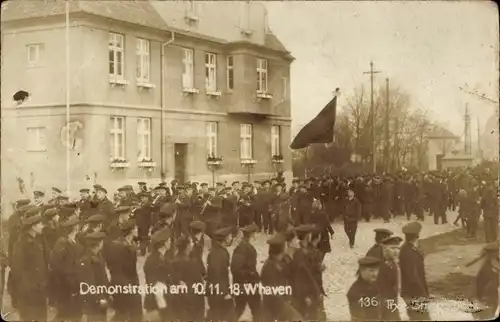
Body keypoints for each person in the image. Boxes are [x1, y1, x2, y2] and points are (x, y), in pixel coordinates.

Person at [11, 213, 49, 321]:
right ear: (33, 226)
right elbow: (17, 270)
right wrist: (28, 286)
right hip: (29, 290)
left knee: (41, 317)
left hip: (40, 287)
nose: (42, 226)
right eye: (40, 224)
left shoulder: (39, 240)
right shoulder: (20, 244)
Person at [261, 233, 303, 321]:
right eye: (285, 246)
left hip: (282, 304)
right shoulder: (269, 267)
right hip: (275, 307)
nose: (287, 247)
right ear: (281, 249)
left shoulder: (279, 262)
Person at [49, 215, 84, 321]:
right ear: (75, 228)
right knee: (65, 312)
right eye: (78, 226)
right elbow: (56, 264)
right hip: (66, 284)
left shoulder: (74, 241)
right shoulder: (62, 243)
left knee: (75, 313)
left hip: (75, 282)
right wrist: (67, 277)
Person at [399, 221, 431, 320]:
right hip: (414, 292)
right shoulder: (408, 252)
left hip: (412, 292)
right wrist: (423, 294)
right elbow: (413, 277)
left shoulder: (408, 249)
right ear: (417, 235)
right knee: (422, 318)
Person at [231, 223, 262, 322]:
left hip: (243, 284)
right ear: (252, 234)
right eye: (256, 233)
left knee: (240, 308)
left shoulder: (242, 246)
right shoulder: (245, 248)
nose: (257, 235)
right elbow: (237, 268)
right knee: (257, 310)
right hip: (248, 285)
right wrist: (251, 278)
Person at [172, 234, 206, 321]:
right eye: (191, 242)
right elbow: (198, 283)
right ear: (187, 246)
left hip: (179, 300)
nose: (192, 244)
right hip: (192, 301)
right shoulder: (190, 263)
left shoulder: (174, 260)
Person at [143, 228, 174, 321]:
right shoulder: (155, 261)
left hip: (160, 302)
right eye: (168, 240)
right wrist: (163, 307)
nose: (170, 242)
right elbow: (156, 286)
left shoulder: (161, 258)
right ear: (164, 244)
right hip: (157, 304)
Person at [79, 231, 110, 322]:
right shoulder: (86, 260)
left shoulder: (97, 256)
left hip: (101, 299)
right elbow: (89, 283)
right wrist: (99, 298)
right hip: (94, 303)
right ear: (98, 244)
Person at [206, 226, 235, 322]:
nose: (231, 238)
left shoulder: (216, 251)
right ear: (225, 239)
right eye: (230, 236)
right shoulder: (220, 254)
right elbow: (217, 274)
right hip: (219, 292)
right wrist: (225, 293)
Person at [346, 256, 382, 322]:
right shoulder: (355, 292)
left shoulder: (375, 285)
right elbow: (359, 317)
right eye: (371, 271)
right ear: (362, 271)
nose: (375, 274)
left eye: (377, 270)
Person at [377, 235, 403, 321]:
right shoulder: (381, 267)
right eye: (392, 248)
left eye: (398, 248)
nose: (396, 251)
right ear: (385, 250)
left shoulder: (394, 264)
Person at [471, 242, 499, 320]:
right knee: (481, 289)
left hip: (492, 279)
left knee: (491, 292)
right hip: (486, 277)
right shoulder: (488, 261)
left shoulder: (493, 260)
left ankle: (490, 310)